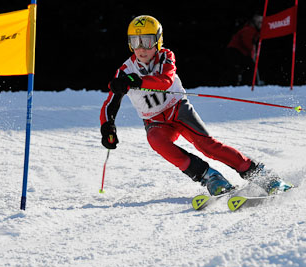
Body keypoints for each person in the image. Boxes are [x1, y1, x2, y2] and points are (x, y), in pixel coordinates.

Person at [100, 15, 291, 196]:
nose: (142, 48)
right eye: (136, 42)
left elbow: (165, 81)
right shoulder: (125, 71)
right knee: (155, 139)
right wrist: (107, 126)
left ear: (158, 41)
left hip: (178, 109)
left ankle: (260, 175)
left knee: (207, 146)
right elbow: (110, 102)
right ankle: (210, 177)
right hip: (155, 121)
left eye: (148, 42)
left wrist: (137, 81)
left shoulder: (166, 56)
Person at [226, 14, 263, 86]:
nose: (260, 24)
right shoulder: (249, 29)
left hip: (237, 51)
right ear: (254, 22)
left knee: (246, 66)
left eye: (261, 22)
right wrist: (252, 51)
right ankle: (246, 84)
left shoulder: (252, 30)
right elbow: (246, 42)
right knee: (249, 65)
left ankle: (244, 83)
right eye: (259, 22)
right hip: (235, 51)